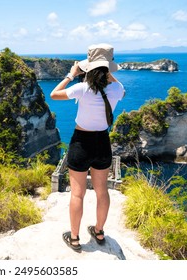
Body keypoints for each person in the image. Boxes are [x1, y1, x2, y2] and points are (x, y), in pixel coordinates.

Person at [50, 43, 125, 252]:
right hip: (102, 142)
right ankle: (99, 231)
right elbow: (122, 91)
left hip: (81, 143)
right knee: (102, 191)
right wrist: (108, 72)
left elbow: (54, 94)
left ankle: (74, 239)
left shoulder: (82, 88)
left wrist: (71, 74)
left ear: (88, 67)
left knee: (77, 193)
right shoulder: (117, 88)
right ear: (108, 67)